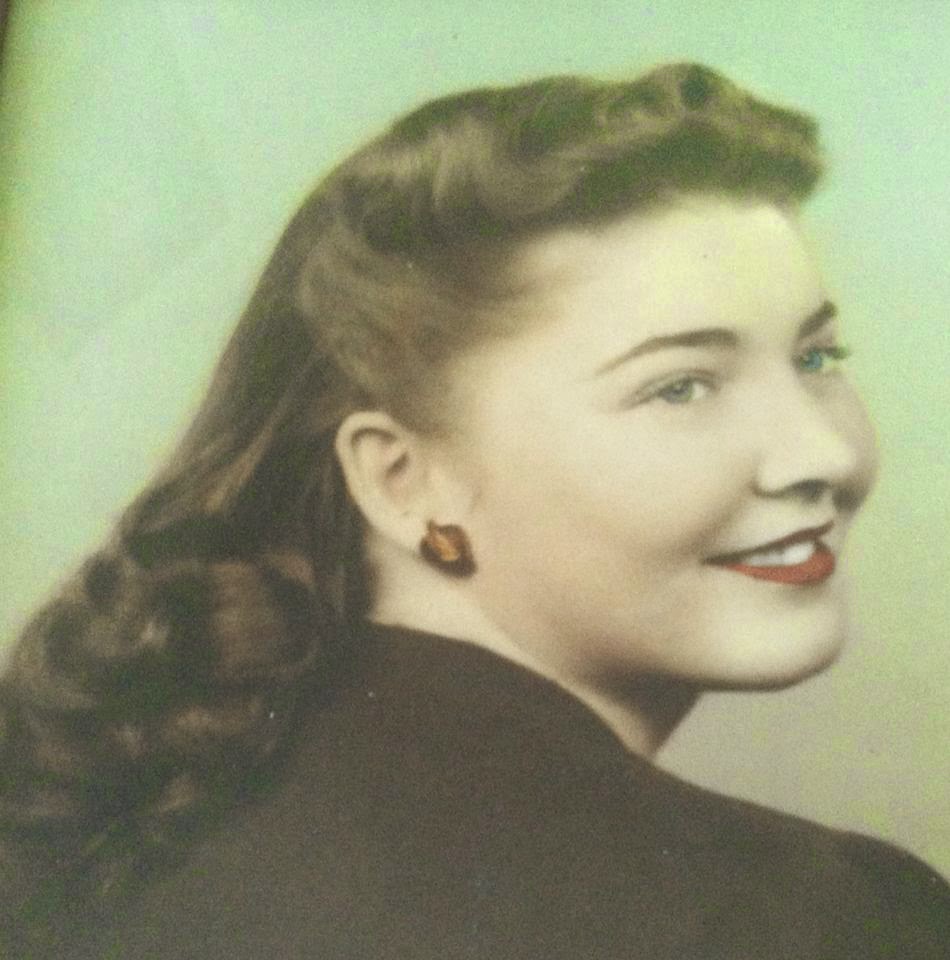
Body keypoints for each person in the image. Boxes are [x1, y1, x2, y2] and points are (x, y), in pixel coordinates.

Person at [1, 61, 947, 959]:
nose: (823, 455)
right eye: (680, 387)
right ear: (404, 479)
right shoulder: (815, 925)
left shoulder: (141, 813)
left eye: (817, 359)